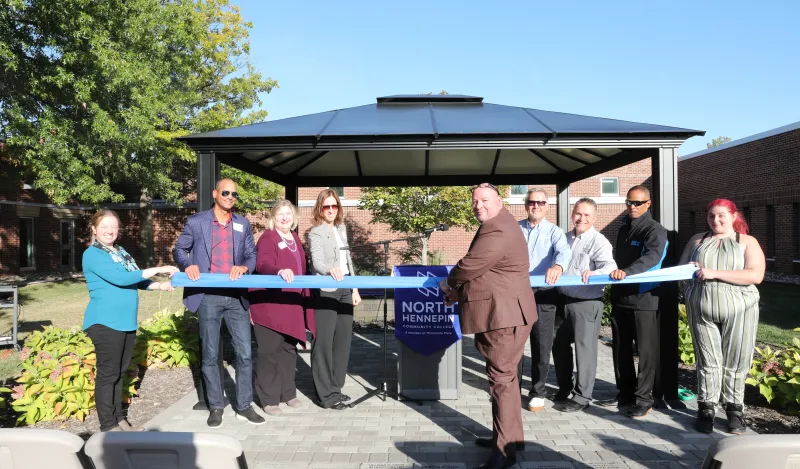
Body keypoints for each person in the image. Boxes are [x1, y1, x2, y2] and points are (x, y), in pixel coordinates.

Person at [440, 183, 536, 469]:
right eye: (474, 201)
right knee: (506, 380)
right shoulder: (501, 223)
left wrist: (449, 283)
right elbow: (485, 270)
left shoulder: (498, 228)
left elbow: (471, 265)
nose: (478, 205)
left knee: (502, 381)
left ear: (499, 200)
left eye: (484, 200)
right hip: (506, 314)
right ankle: (509, 439)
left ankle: (504, 452)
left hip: (502, 316)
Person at [172, 178, 265, 428]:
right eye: (226, 192)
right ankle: (215, 406)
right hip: (208, 296)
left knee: (245, 352)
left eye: (234, 194)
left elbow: (251, 255)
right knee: (210, 354)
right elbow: (179, 250)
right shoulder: (197, 222)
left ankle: (244, 406)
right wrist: (187, 264)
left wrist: (245, 266)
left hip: (236, 297)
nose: (230, 197)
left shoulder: (242, 224)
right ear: (215, 193)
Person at [82, 209, 178, 432]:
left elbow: (136, 279)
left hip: (125, 322)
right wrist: (160, 269)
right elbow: (121, 278)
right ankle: (108, 426)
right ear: (94, 229)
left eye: (113, 227)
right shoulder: (93, 254)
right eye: (104, 226)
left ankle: (119, 420)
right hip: (105, 322)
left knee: (119, 372)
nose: (109, 231)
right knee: (109, 374)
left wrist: (160, 285)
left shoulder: (120, 251)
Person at [679, 199, 764, 434]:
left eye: (721, 216)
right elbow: (681, 269)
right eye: (711, 216)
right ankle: (706, 408)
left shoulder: (747, 242)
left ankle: (734, 410)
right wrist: (689, 267)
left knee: (736, 360)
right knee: (707, 361)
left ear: (733, 216)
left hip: (740, 309)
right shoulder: (697, 240)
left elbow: (755, 275)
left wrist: (713, 272)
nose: (715, 220)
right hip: (701, 308)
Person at [598, 185, 668, 418]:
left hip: (644, 300)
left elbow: (651, 258)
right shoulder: (623, 228)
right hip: (621, 299)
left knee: (646, 353)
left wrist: (626, 272)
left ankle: (644, 399)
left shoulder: (655, 230)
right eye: (629, 202)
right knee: (620, 351)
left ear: (648, 204)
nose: (632, 206)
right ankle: (625, 394)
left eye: (638, 203)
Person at [249, 200, 316, 416]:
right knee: (269, 352)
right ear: (273, 217)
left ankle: (288, 393)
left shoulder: (295, 238)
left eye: (288, 214)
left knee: (288, 350)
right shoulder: (269, 237)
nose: (285, 218)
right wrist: (278, 271)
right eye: (280, 214)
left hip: (291, 305)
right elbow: (263, 264)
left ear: (294, 217)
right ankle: (268, 399)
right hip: (270, 306)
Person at [552, 198, 617, 413]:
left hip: (586, 303)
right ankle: (564, 388)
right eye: (578, 214)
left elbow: (609, 267)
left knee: (585, 351)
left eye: (587, 215)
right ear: (572, 215)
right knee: (559, 346)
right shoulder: (564, 238)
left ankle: (582, 397)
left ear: (594, 218)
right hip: (562, 301)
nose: (581, 218)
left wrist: (594, 273)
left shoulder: (599, 241)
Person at [518, 188, 571, 412]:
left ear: (547, 206)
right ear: (526, 204)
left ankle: (538, 392)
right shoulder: (514, 228)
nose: (536, 206)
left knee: (541, 345)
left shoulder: (555, 232)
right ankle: (511, 389)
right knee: (515, 344)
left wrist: (558, 266)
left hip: (544, 295)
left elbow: (563, 252)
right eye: (532, 202)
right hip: (517, 294)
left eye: (540, 202)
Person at [308, 189, 361, 410]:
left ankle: (336, 388)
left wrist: (355, 289)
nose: (331, 210)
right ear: (320, 209)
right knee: (323, 342)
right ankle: (325, 396)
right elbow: (317, 261)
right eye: (326, 206)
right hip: (327, 288)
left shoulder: (341, 229)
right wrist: (330, 269)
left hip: (346, 288)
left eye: (334, 206)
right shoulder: (315, 232)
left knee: (342, 342)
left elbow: (348, 260)